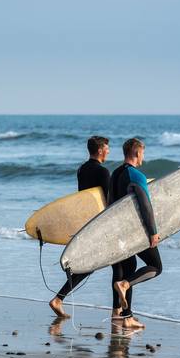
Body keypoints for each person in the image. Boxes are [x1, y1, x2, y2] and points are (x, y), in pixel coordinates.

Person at [49, 135, 111, 318]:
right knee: (91, 264)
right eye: (107, 148)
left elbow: (82, 198)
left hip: (84, 220)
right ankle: (58, 298)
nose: (108, 151)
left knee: (90, 263)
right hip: (98, 222)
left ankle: (59, 298)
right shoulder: (103, 172)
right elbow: (108, 203)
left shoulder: (82, 169)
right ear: (100, 150)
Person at [109, 138, 162, 329]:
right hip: (134, 232)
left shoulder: (114, 174)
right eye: (143, 153)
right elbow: (146, 206)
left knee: (129, 267)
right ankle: (125, 285)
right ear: (137, 153)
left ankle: (126, 316)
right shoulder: (136, 175)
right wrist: (153, 232)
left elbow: (109, 205)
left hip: (117, 231)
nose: (143, 158)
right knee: (156, 266)